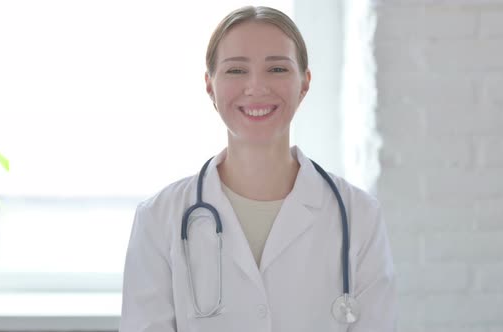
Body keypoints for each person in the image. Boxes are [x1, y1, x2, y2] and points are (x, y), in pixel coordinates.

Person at [119, 6, 396, 332]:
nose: (256, 87)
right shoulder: (158, 219)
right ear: (210, 86)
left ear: (304, 84)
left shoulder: (358, 215)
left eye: (277, 69)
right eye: (236, 71)